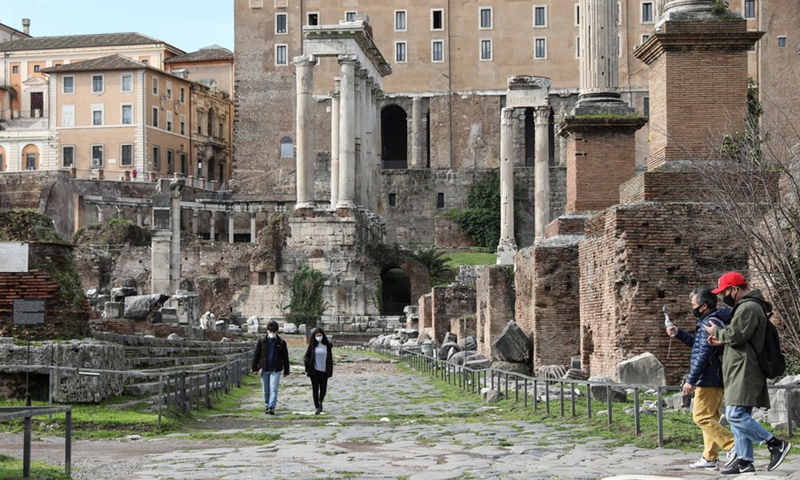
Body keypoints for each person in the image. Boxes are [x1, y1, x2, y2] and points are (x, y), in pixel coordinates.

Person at [705, 272, 792, 475]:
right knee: (740, 414)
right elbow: (740, 337)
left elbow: (737, 334)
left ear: (735, 289)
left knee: (735, 415)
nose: (723, 296)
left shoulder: (749, 307)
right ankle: (744, 461)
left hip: (746, 369)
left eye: (725, 292)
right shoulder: (746, 307)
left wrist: (717, 332)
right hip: (739, 369)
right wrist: (722, 340)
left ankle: (775, 444)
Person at [667, 287, 735, 470]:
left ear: (704, 306)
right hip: (714, 377)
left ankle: (732, 445)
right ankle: (710, 457)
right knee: (710, 417)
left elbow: (703, 355)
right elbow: (698, 346)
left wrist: (691, 379)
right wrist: (679, 333)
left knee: (700, 417)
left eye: (693, 305)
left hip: (709, 378)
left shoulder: (710, 323)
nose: (692, 308)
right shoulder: (709, 321)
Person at [251, 321, 290, 415]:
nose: (272, 333)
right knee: (265, 390)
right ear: (267, 331)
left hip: (275, 369)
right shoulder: (261, 341)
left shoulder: (281, 342)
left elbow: (285, 357)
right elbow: (256, 354)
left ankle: (271, 407)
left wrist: (286, 370)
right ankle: (267, 405)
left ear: (277, 331)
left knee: (273, 388)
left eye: (274, 331)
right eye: (270, 331)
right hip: (264, 368)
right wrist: (254, 367)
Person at [304, 327, 333, 415]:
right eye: (317, 336)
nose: (319, 337)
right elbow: (306, 357)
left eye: (320, 335)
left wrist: (330, 370)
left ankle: (321, 401)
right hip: (314, 370)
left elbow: (330, 359)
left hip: (324, 370)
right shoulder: (312, 346)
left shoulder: (327, 346)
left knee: (323, 389)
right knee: (315, 389)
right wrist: (308, 365)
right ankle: (317, 406)